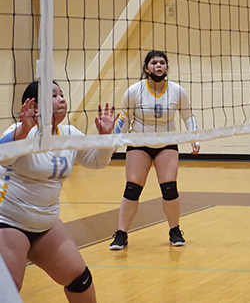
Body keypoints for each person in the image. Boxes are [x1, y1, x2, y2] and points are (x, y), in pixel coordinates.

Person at [0, 81, 117, 302]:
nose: (62, 99)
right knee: (8, 289)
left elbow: (96, 161)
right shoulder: (20, 132)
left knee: (80, 280)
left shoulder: (69, 133)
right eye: (53, 95)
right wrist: (24, 129)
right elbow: (2, 154)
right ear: (34, 105)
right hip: (8, 221)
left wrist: (105, 139)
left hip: (46, 224)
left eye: (61, 94)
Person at [109, 50, 200, 250]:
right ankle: (121, 233)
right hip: (139, 143)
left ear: (166, 66)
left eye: (162, 62)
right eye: (154, 63)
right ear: (146, 67)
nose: (158, 66)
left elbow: (188, 116)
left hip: (166, 143)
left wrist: (194, 138)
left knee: (169, 188)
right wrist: (113, 143)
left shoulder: (177, 91)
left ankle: (175, 230)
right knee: (132, 188)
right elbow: (124, 119)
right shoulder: (134, 91)